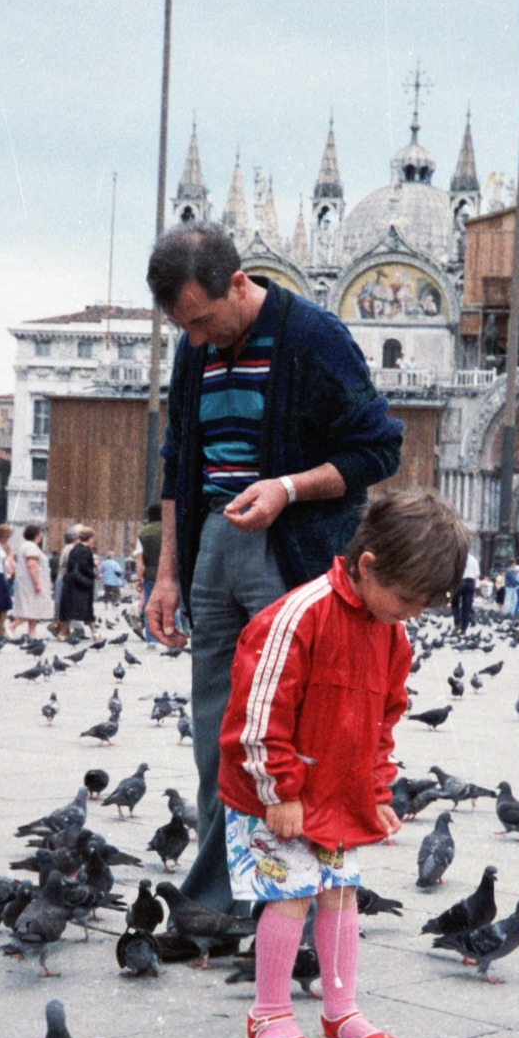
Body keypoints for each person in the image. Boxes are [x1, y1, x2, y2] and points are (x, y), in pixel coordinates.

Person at [145, 222, 402, 913]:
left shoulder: (314, 337)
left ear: (238, 282)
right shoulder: (193, 349)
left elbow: (378, 451)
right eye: (181, 326)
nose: (194, 339)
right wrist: (166, 573)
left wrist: (286, 487)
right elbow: (177, 461)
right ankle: (213, 908)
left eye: (201, 320)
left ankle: (285, 908)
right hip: (211, 546)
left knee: (287, 734)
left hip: (288, 548)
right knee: (216, 737)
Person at [219, 488, 469, 1038]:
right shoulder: (300, 616)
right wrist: (278, 791)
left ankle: (339, 1011)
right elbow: (257, 715)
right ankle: (268, 1014)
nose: (410, 614)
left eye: (422, 606)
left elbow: (386, 716)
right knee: (289, 897)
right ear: (366, 566)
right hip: (276, 795)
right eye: (405, 598)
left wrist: (378, 789)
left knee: (340, 893)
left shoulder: (392, 632)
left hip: (337, 795)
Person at [9, 524, 54, 636]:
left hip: (27, 582)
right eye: (40, 534)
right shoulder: (31, 547)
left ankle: (31, 633)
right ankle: (12, 626)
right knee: (29, 609)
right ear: (37, 535)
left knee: (34, 609)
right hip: (30, 583)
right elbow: (32, 565)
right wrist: (37, 583)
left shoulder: (25, 546)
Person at [58, 526, 98, 638]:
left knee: (69, 609)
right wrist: (93, 574)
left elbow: (70, 566)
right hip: (82, 584)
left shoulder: (74, 550)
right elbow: (84, 567)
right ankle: (95, 633)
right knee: (87, 610)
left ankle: (62, 633)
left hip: (71, 583)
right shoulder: (86, 551)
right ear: (89, 539)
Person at [134, 501, 163, 641]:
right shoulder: (171, 530)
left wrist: (139, 579)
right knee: (170, 606)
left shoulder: (143, 533)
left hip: (150, 575)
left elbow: (140, 561)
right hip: (168, 574)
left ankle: (151, 638)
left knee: (150, 606)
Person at [451, 546, 479, 633]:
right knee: (467, 605)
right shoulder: (474, 559)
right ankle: (464, 628)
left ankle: (457, 621)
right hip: (470, 582)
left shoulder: (457, 558)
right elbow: (476, 574)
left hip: (459, 581)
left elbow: (452, 572)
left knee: (455, 603)